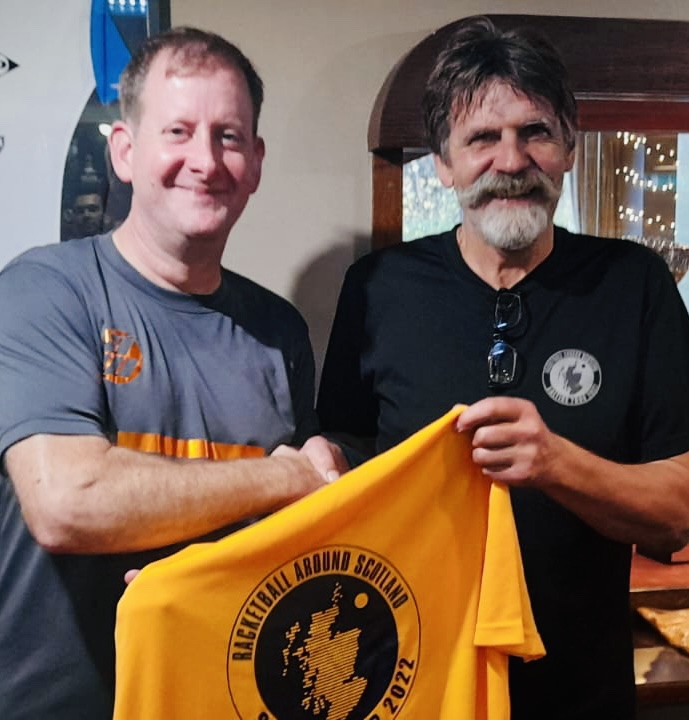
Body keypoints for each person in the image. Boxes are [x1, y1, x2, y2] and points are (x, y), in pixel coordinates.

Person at [317, 16, 689, 720]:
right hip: (409, 686)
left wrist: (556, 464)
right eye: (481, 138)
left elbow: (677, 515)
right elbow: (340, 474)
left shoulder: (634, 284)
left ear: (569, 148)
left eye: (535, 132)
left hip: (580, 694)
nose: (510, 160)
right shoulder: (377, 288)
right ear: (443, 163)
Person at [0, 27, 344, 720]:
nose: (205, 161)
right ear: (125, 152)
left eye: (228, 136)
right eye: (178, 132)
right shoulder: (44, 291)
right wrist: (286, 478)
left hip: (219, 698)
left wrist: (323, 484)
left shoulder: (278, 329)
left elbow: (293, 515)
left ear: (255, 162)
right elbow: (67, 502)